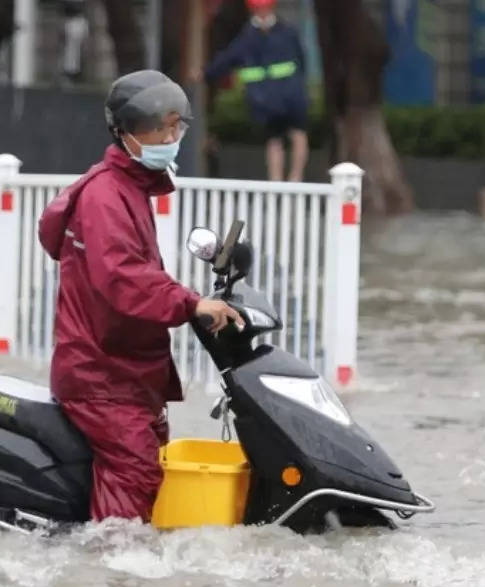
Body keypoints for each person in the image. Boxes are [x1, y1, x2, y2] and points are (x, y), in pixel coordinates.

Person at [38, 70, 243, 523]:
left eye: (176, 126)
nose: (171, 137)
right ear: (126, 132)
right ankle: (111, 578)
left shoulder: (127, 188)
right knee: (135, 478)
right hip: (103, 377)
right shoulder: (105, 197)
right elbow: (124, 278)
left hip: (125, 372)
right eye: (159, 128)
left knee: (147, 475)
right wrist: (191, 303)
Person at [204, 0, 310, 182]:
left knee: (297, 135)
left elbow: (301, 61)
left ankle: (295, 179)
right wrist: (205, 73)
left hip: (289, 96)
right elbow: (228, 59)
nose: (262, 11)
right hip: (267, 100)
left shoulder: (285, 32)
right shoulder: (249, 37)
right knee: (276, 140)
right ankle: (276, 183)